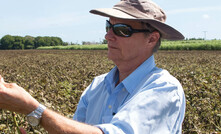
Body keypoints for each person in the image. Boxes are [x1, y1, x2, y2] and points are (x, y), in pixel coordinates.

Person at [0, 0, 186, 133]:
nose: (108, 36)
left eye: (122, 30)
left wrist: (34, 109)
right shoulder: (98, 85)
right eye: (109, 27)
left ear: (152, 39)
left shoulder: (164, 88)